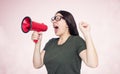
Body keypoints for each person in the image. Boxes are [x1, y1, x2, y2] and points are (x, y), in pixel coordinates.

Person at [31, 10, 98, 74]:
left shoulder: (77, 41)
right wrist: (37, 44)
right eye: (53, 19)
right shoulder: (51, 43)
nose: (54, 21)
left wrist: (87, 34)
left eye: (57, 18)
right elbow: (37, 65)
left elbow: (93, 63)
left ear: (67, 23)